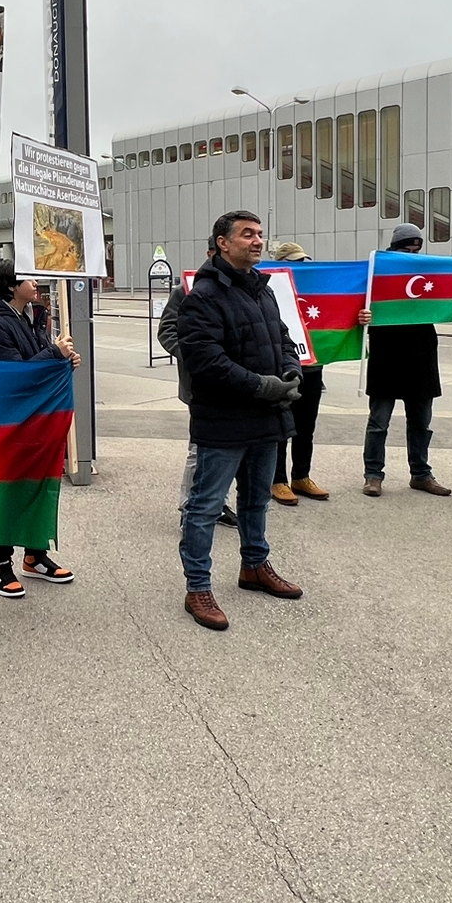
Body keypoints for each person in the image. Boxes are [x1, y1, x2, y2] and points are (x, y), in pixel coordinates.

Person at [175, 210, 305, 629]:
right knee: (205, 506)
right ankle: (198, 587)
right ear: (223, 243)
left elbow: (283, 339)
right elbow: (206, 362)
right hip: (223, 421)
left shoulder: (262, 291)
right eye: (247, 234)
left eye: (260, 234)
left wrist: (291, 373)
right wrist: (262, 386)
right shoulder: (203, 297)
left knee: (255, 499)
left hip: (266, 418)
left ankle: (254, 566)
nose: (257, 241)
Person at [0, 262, 80, 596]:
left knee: (38, 485)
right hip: (10, 425)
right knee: (9, 490)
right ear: (11, 286)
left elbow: (41, 368)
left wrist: (62, 362)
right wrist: (52, 353)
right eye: (28, 278)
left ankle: (35, 555)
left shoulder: (31, 317)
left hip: (37, 423)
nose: (35, 283)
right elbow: (14, 378)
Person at [356, 222, 449, 498]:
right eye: (407, 249)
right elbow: (359, 304)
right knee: (379, 422)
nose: (412, 254)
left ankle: (421, 474)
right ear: (395, 247)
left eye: (416, 249)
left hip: (421, 356)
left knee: (420, 423)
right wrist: (363, 316)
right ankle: (373, 474)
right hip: (386, 355)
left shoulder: (427, 270)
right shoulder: (378, 271)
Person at [159, 281, 239, 529]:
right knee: (200, 449)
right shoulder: (187, 288)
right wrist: (195, 355)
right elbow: (167, 331)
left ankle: (218, 504)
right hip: (201, 386)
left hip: (238, 383)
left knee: (229, 449)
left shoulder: (241, 287)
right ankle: (189, 507)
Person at [267, 241, 328, 504]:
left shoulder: (314, 291)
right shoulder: (270, 292)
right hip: (282, 369)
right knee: (281, 426)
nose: (301, 267)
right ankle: (277, 479)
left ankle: (301, 476)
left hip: (313, 367)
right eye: (295, 263)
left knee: (306, 426)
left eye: (304, 262)